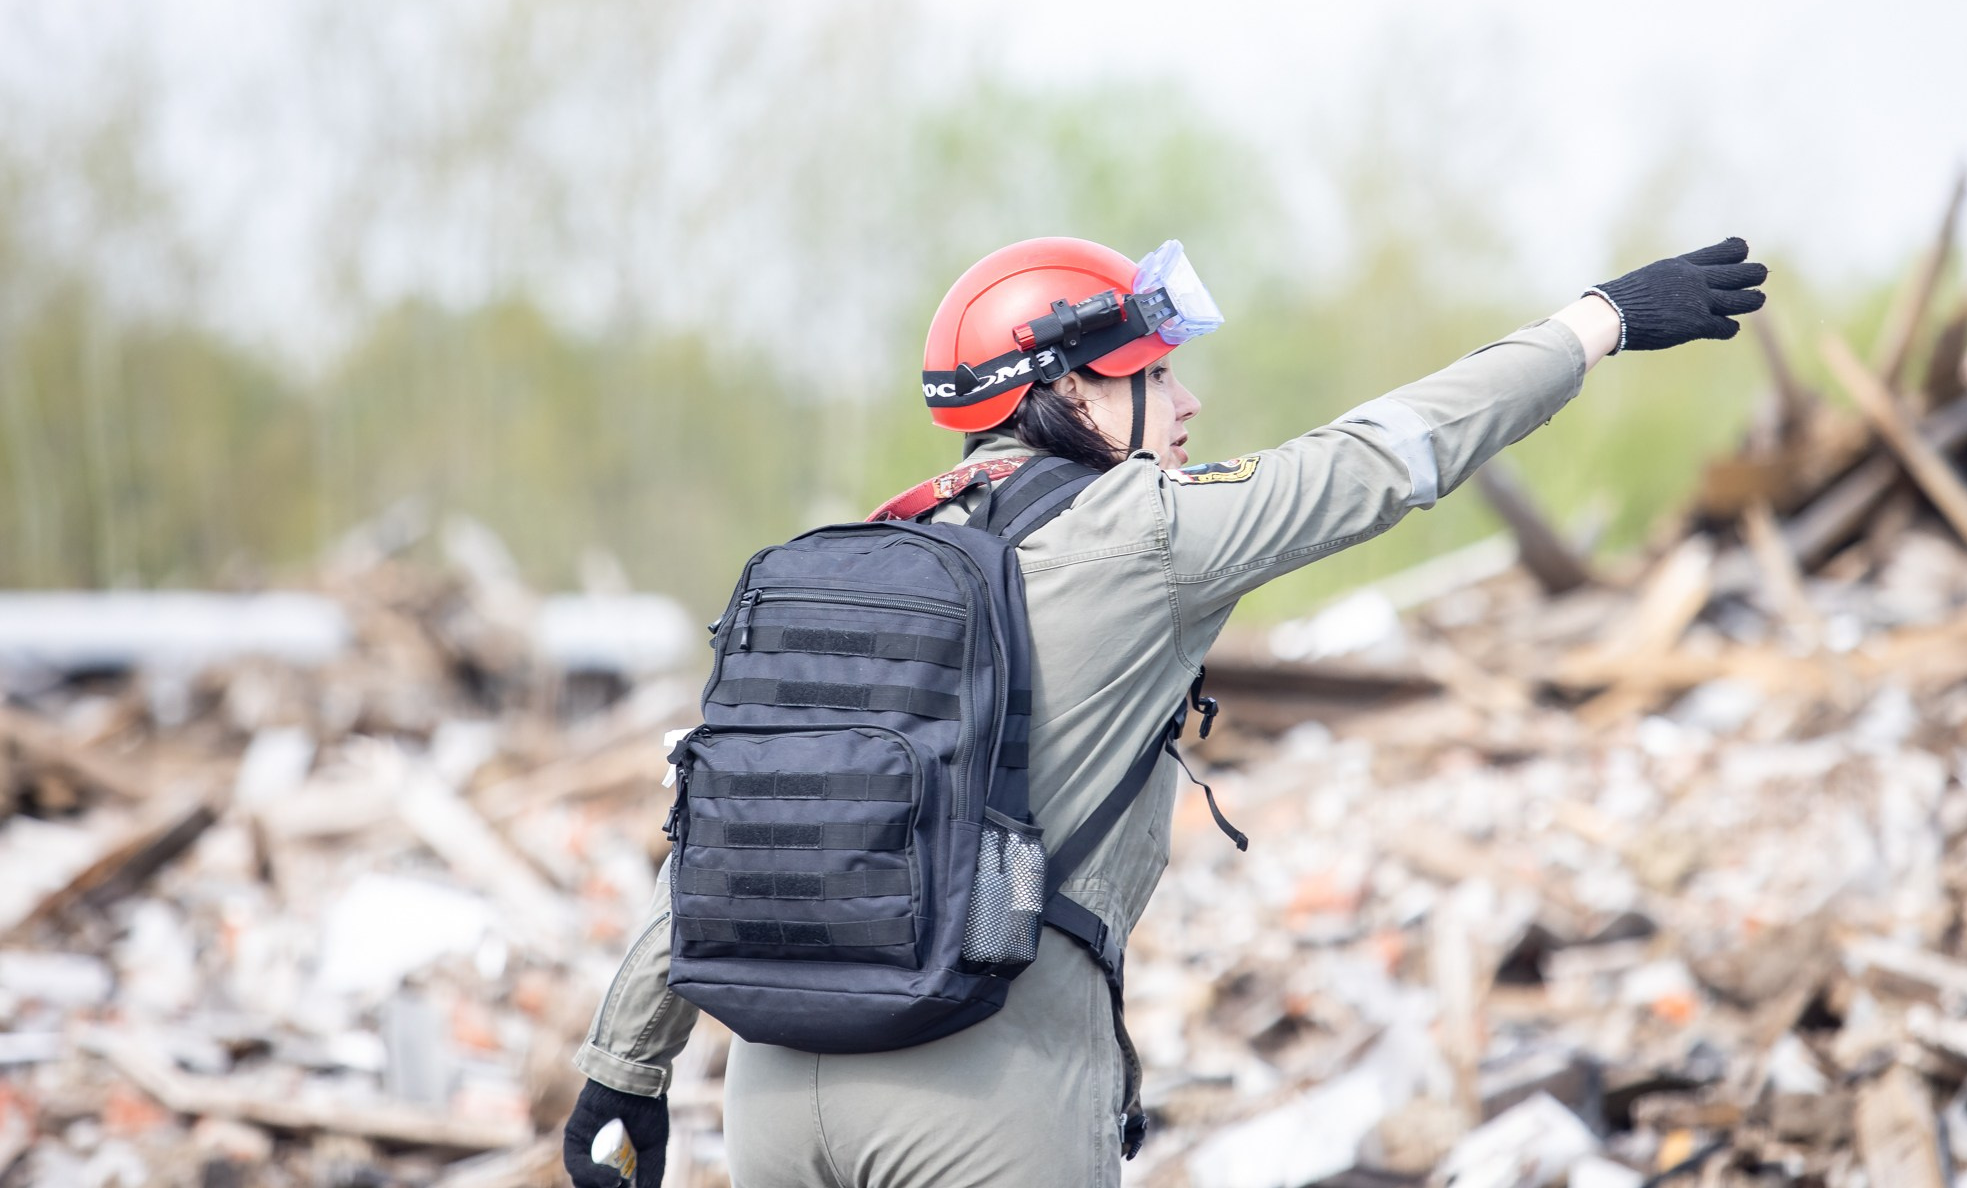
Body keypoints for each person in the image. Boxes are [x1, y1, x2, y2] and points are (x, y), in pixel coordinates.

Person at [563, 234, 1768, 1187]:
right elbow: (1386, 454)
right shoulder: (1145, 534)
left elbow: (741, 827)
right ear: (1066, 391)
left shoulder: (854, 560)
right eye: (1151, 374)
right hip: (983, 1085)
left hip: (773, 1095)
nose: (1186, 403)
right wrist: (1596, 321)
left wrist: (627, 1065)